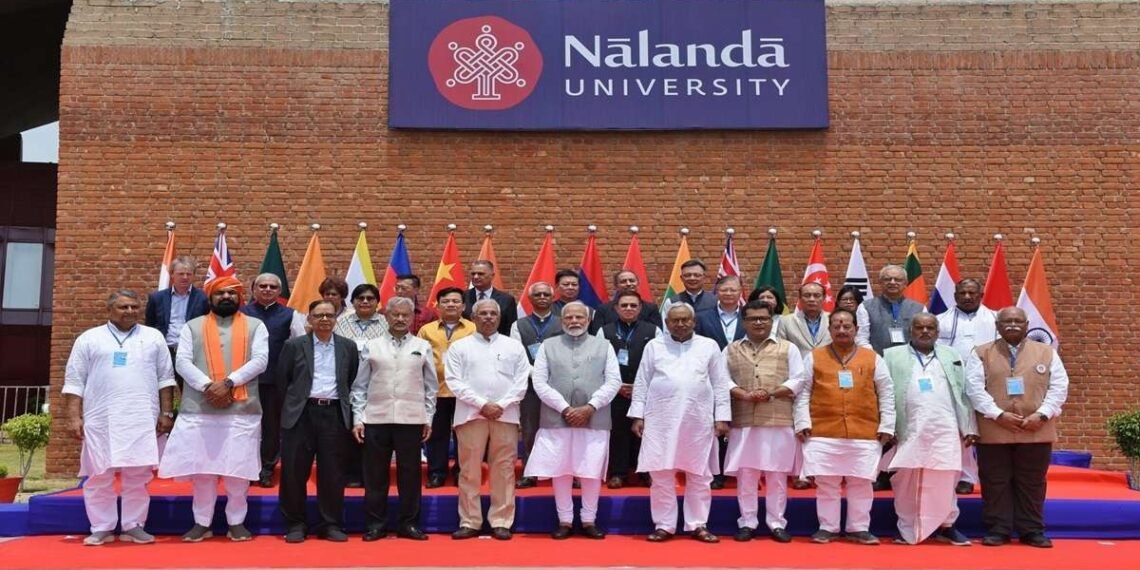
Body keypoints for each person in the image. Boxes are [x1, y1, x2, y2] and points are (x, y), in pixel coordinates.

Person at [159, 276, 269, 542]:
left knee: (238, 470)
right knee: (202, 470)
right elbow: (182, 362)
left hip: (242, 408)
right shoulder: (192, 326)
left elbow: (261, 360)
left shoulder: (256, 326)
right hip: (200, 407)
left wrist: (229, 383)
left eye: (232, 293)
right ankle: (202, 522)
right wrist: (209, 386)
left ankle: (236, 522)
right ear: (210, 297)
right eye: (220, 293)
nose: (226, 297)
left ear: (240, 297)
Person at [63, 289, 176, 546]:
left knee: (137, 476)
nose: (130, 312)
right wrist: (73, 417)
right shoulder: (89, 339)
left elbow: (166, 379)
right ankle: (101, 526)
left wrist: (166, 412)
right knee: (99, 474)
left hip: (141, 417)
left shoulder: (153, 337)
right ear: (109, 310)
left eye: (134, 307)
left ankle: (133, 525)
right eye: (124, 307)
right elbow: (74, 381)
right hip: (101, 418)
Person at [966, 307, 1069, 548]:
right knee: (995, 481)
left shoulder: (1046, 352)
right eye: (1007, 321)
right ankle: (998, 529)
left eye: (1017, 321)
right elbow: (973, 388)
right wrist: (997, 414)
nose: (1012, 325)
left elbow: (1059, 386)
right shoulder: (981, 353)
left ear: (1026, 324)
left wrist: (1042, 415)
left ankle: (1032, 530)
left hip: (1036, 428)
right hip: (994, 427)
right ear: (998, 326)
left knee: (1032, 482)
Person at [630, 303, 732, 543]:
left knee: (699, 474)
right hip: (660, 421)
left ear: (694, 322)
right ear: (666, 324)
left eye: (686, 319)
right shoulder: (654, 346)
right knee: (661, 473)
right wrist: (637, 415)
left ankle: (698, 523)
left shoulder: (708, 346)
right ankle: (664, 525)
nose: (681, 324)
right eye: (675, 320)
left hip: (697, 421)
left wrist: (722, 417)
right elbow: (642, 381)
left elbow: (720, 383)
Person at [794, 308, 894, 545]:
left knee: (861, 482)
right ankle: (827, 527)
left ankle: (858, 527)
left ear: (856, 330)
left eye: (846, 326)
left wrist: (887, 425)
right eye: (836, 326)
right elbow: (803, 391)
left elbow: (886, 392)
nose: (841, 330)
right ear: (829, 330)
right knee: (826, 482)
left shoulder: (872, 358)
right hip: (823, 429)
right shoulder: (815, 356)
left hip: (865, 430)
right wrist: (802, 421)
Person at [524, 302, 621, 539]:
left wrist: (590, 407)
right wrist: (565, 408)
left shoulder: (604, 345)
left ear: (588, 320)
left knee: (591, 471)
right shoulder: (548, 345)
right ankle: (565, 521)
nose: (574, 321)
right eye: (569, 317)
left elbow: (613, 381)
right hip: (557, 418)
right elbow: (539, 382)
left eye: (580, 317)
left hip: (594, 418)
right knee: (561, 470)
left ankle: (589, 520)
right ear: (562, 320)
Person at [883, 314, 976, 546]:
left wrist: (968, 426)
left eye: (930, 327)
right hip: (908, 428)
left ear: (937, 331)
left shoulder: (951, 355)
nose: (925, 331)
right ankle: (907, 528)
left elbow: (962, 392)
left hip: (944, 427)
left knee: (946, 476)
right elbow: (883, 393)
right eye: (919, 327)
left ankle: (947, 526)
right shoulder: (891, 355)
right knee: (905, 480)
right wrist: (887, 425)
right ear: (910, 330)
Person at [352, 297, 438, 541]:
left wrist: (428, 418)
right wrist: (359, 418)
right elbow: (360, 386)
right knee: (375, 475)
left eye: (405, 315)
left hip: (411, 419)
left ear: (412, 318)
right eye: (395, 315)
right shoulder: (372, 345)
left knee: (410, 474)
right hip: (376, 418)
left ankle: (409, 523)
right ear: (386, 316)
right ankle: (375, 525)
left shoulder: (422, 346)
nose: (400, 319)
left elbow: (430, 387)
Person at [445, 299, 531, 540]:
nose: (488, 317)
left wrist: (500, 405)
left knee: (503, 470)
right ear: (473, 317)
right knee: (469, 470)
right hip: (471, 416)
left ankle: (501, 520)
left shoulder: (514, 347)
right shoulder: (459, 347)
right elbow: (454, 381)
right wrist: (482, 404)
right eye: (483, 313)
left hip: (506, 415)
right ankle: (470, 521)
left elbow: (522, 381)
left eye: (493, 313)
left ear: (499, 317)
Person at [276, 300, 361, 543]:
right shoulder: (294, 345)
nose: (324, 319)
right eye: (319, 315)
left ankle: (330, 523)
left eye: (329, 315)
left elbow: (351, 378)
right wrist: (294, 406)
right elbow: (284, 381)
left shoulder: (348, 346)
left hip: (334, 414)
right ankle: (295, 523)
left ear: (336, 319)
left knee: (333, 473)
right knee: (294, 471)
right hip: (301, 413)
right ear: (309, 320)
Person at [723, 301, 804, 544]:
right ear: (743, 322)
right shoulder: (730, 349)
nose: (759, 322)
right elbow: (721, 380)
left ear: (772, 321)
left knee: (776, 475)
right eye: (753, 318)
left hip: (777, 418)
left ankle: (776, 522)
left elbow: (799, 379)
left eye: (764, 318)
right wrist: (743, 394)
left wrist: (772, 393)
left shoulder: (788, 348)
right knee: (746, 474)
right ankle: (747, 522)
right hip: (744, 419)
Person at [240, 272, 306, 487]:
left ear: (279, 291)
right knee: (247, 426)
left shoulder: (290, 315)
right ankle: (247, 468)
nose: (267, 290)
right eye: (262, 286)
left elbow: (298, 346)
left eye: (272, 287)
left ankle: (267, 469)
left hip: (277, 381)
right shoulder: (242, 313)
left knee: (271, 427)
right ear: (254, 289)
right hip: (245, 381)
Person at [936, 278, 997, 495]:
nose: (968, 297)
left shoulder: (995, 319)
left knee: (986, 431)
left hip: (987, 383)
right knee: (960, 430)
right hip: (952, 383)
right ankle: (964, 476)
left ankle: (990, 476)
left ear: (981, 295)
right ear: (955, 296)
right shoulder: (940, 320)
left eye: (972, 293)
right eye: (963, 293)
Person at [599, 291, 659, 489]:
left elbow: (658, 361)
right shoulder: (604, 331)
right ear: (616, 308)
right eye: (624, 305)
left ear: (640, 308)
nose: (629, 309)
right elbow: (599, 362)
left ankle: (645, 472)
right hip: (615, 391)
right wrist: (616, 387)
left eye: (633, 305)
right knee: (618, 432)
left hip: (646, 391)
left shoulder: (653, 330)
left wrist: (641, 387)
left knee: (646, 432)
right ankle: (618, 473)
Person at [418, 287, 476, 488]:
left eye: (455, 301)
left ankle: (462, 471)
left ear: (463, 306)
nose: (450, 304)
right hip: (436, 391)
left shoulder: (473, 328)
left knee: (464, 434)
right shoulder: (427, 330)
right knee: (436, 434)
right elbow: (420, 359)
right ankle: (436, 472)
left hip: (465, 392)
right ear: (438, 305)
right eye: (446, 301)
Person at [333, 283, 387, 489]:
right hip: (346, 383)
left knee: (373, 433)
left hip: (377, 383)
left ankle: (371, 475)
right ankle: (351, 473)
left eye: (370, 298)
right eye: (360, 298)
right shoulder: (340, 322)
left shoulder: (386, 323)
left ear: (377, 302)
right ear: (353, 301)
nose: (365, 302)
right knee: (348, 429)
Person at [510, 282, 564, 489]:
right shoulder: (519, 325)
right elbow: (518, 355)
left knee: (560, 428)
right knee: (530, 428)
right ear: (530, 299)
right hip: (531, 386)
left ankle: (562, 470)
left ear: (552, 298)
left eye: (546, 294)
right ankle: (530, 472)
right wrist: (538, 376)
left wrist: (551, 378)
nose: (542, 297)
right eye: (537, 295)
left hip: (558, 385)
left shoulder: (562, 322)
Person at [694, 274, 746, 489]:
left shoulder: (749, 316)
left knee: (739, 426)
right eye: (724, 290)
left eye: (733, 290)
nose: (728, 294)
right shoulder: (702, 316)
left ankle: (738, 469)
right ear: (716, 292)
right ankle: (715, 473)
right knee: (714, 426)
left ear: (740, 292)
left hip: (743, 378)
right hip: (710, 378)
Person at [145, 256, 208, 391]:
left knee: (191, 390)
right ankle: (166, 413)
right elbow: (150, 325)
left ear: (193, 276)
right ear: (172, 275)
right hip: (165, 351)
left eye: (189, 274)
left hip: (191, 353)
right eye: (180, 274)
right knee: (163, 389)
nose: (185, 277)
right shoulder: (157, 298)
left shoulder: (204, 298)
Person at [864, 265, 926, 355]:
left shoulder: (920, 308)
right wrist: (875, 358)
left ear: (905, 283)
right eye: (887, 279)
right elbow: (862, 339)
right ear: (880, 282)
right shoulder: (866, 307)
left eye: (898, 279)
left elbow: (924, 337)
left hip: (911, 360)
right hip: (877, 361)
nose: (892, 282)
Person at [590, 270, 662, 333]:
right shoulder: (603, 309)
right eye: (623, 281)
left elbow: (657, 334)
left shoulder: (651, 308)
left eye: (632, 281)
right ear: (616, 285)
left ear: (638, 283)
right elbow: (597, 336)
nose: (628, 284)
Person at [463, 260, 517, 336]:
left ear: (492, 275)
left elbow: (510, 328)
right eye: (473, 274)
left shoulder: (506, 300)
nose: (475, 277)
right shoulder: (463, 297)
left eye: (480, 274)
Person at [777, 283, 832, 353]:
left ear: (824, 298)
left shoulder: (833, 319)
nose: (812, 299)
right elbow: (781, 350)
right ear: (800, 298)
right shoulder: (785, 321)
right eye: (807, 295)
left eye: (816, 296)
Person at [834, 285, 872, 349]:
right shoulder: (832, 319)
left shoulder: (866, 318)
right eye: (845, 299)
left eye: (852, 299)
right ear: (838, 302)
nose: (848, 302)